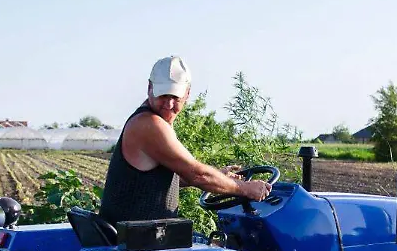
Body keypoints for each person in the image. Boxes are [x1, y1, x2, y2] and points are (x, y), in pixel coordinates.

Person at [98, 56, 272, 224]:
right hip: (136, 243)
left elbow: (161, 179)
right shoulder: (149, 124)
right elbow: (197, 175)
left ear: (187, 93)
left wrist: (220, 177)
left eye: (175, 97)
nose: (168, 104)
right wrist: (245, 188)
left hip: (139, 237)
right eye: (163, 96)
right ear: (149, 88)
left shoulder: (150, 121)